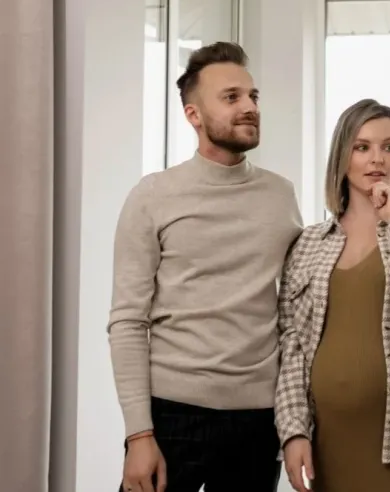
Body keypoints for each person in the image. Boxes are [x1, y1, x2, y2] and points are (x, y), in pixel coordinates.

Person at [108, 42, 303, 492]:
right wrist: (139, 433)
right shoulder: (153, 196)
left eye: (253, 96)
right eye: (231, 97)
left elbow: (297, 312)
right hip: (171, 415)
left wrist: (294, 423)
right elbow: (128, 321)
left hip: (258, 421)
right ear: (194, 115)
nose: (250, 107)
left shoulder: (281, 196)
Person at [275, 98, 390, 492]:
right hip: (329, 446)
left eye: (389, 146)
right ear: (342, 156)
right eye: (362, 147)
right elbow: (291, 346)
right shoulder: (308, 243)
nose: (377, 158)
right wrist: (293, 432)